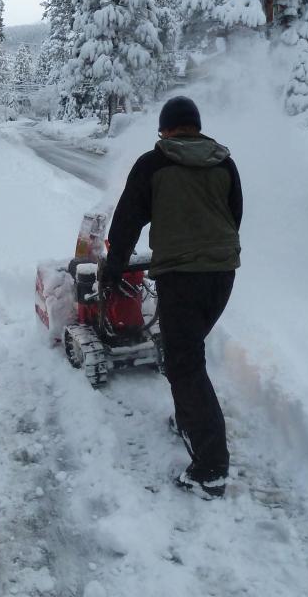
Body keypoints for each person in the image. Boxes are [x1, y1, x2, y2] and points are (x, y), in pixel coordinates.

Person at [104, 96, 242, 499]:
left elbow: (128, 218)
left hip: (181, 277)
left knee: (186, 365)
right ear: (196, 126)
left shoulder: (155, 163)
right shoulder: (224, 162)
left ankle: (211, 469)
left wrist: (114, 266)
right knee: (184, 352)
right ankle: (189, 420)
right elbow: (234, 216)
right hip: (223, 275)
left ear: (165, 129)